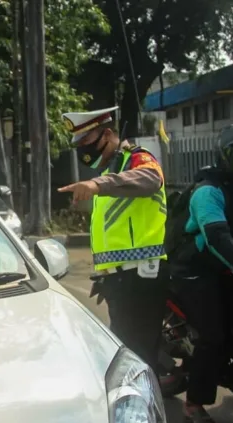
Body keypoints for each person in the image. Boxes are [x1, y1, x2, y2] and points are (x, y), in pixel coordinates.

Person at [57, 106, 168, 376]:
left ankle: (147, 416)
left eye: (86, 141)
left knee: (136, 361)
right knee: (128, 353)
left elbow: (152, 178)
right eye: (79, 144)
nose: (83, 149)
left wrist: (99, 185)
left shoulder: (137, 160)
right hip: (120, 280)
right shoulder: (112, 170)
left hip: (142, 277)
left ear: (107, 135)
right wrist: (104, 274)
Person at [165, 123, 233, 423]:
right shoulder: (208, 192)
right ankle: (195, 404)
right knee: (213, 334)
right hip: (193, 269)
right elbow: (219, 240)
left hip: (220, 263)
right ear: (229, 156)